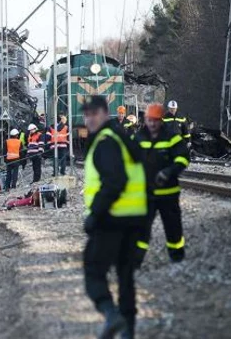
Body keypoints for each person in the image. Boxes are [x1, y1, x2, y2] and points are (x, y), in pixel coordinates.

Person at [82, 95, 148, 339]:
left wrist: (95, 214)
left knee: (93, 271)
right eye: (87, 114)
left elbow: (115, 181)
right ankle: (127, 332)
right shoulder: (123, 137)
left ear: (105, 113)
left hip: (111, 219)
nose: (89, 119)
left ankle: (111, 315)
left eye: (94, 113)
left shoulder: (106, 142)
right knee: (125, 277)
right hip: (134, 218)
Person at [134, 103, 189, 265]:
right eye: (150, 120)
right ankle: (136, 260)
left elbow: (183, 158)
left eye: (155, 120)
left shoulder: (172, 137)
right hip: (145, 194)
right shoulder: (138, 137)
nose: (152, 124)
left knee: (173, 228)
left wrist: (169, 172)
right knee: (140, 229)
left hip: (168, 193)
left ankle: (177, 257)